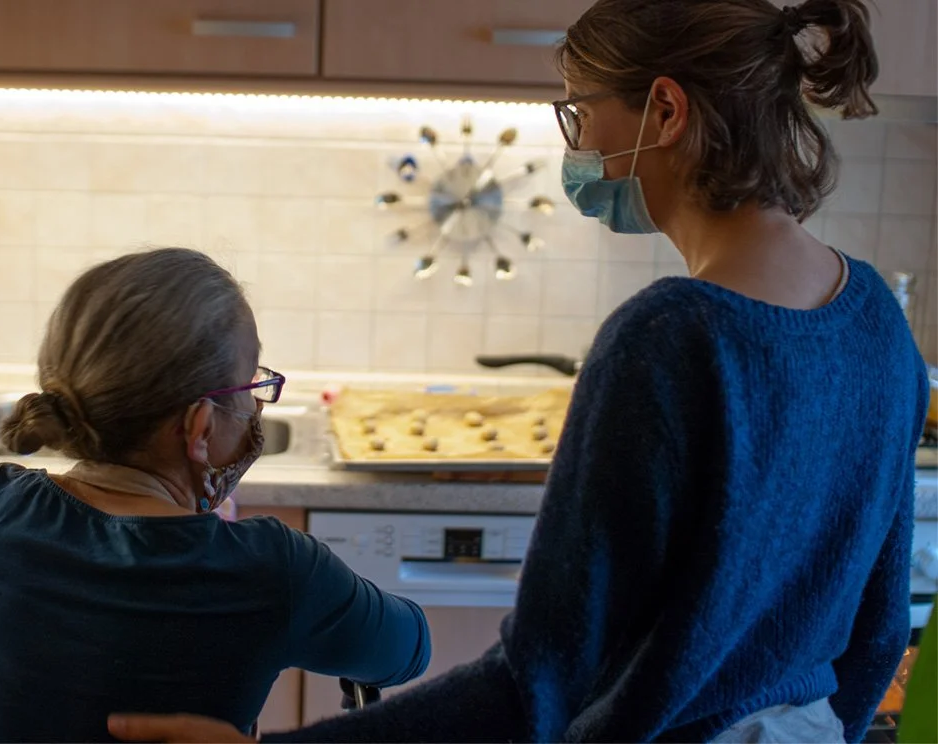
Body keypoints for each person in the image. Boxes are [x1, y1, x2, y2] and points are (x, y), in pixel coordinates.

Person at [107, 0, 931, 742]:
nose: (576, 146)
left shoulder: (670, 336)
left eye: (580, 114)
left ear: (666, 110)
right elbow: (880, 631)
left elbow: (535, 682)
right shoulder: (877, 323)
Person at [0, 248, 431, 741]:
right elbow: (409, 650)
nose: (254, 406)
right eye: (253, 383)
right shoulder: (278, 574)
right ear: (198, 429)